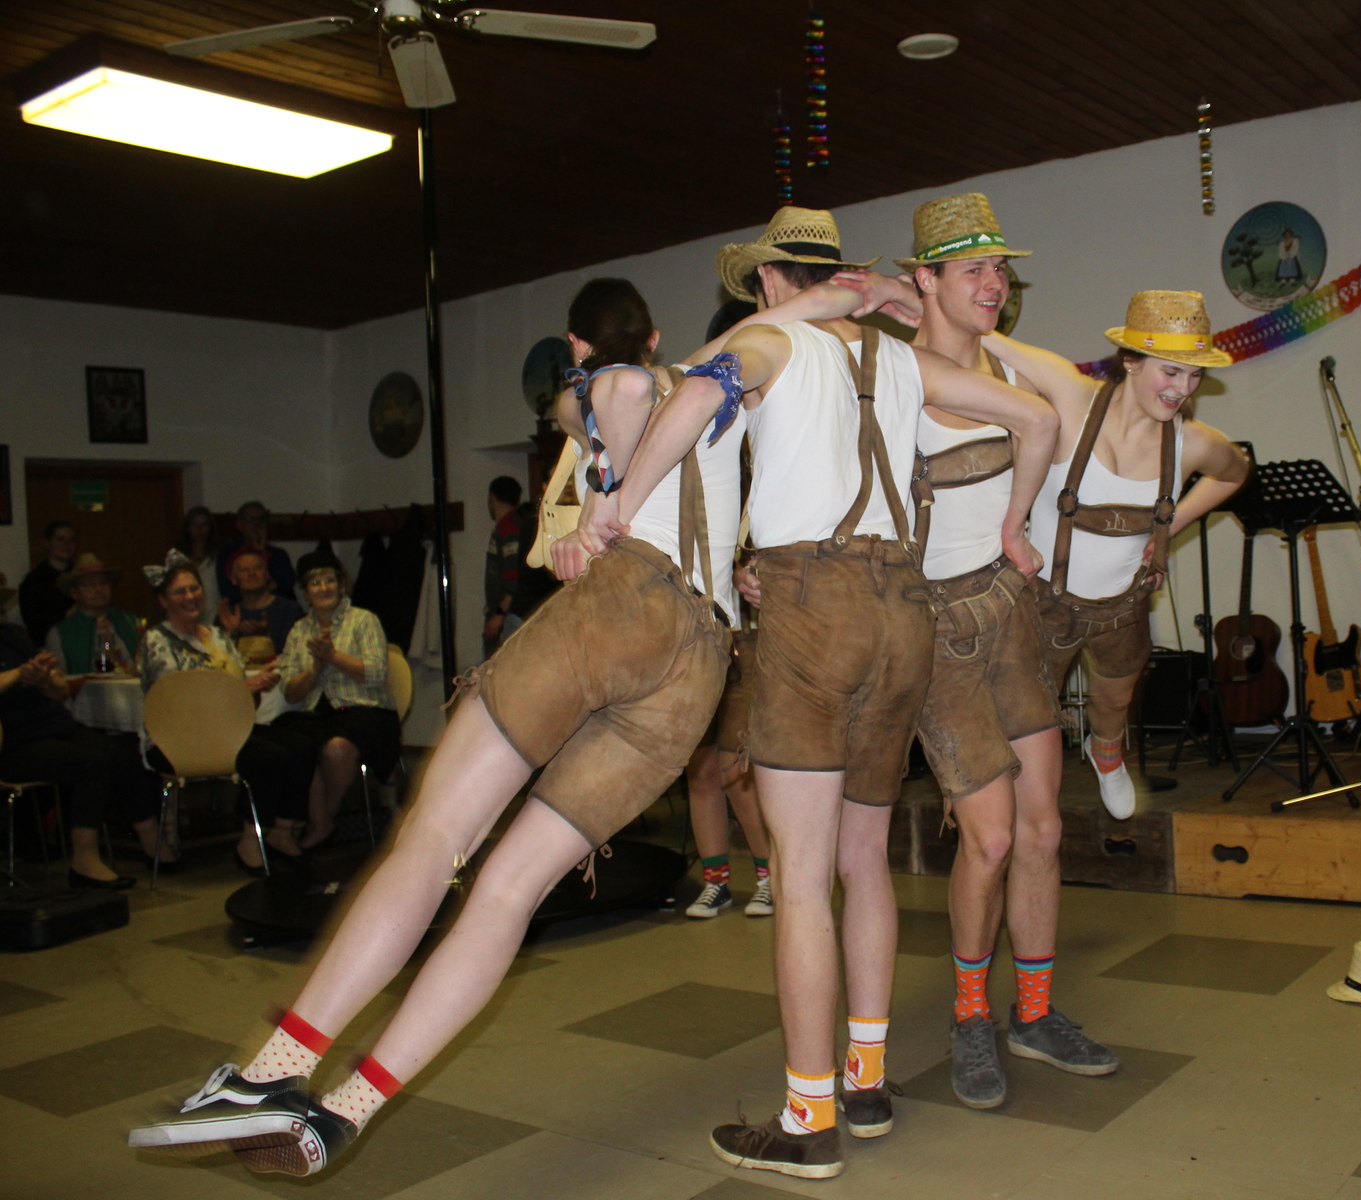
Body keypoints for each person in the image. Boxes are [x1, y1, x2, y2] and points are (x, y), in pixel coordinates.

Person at [126, 271, 887, 1179]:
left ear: (576, 346)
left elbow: (612, 396)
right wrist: (867, 293)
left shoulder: (610, 387)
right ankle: (346, 1112)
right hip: (697, 667)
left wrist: (592, 468)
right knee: (508, 893)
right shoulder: (715, 379)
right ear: (656, 336)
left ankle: (271, 1075)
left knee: (436, 838)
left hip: (626, 603)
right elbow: (781, 322)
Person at [599, 206, 1058, 1179]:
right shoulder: (898, 360)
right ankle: (868, 1079)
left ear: (769, 282)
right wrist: (1017, 524)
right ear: (838, 275)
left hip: (813, 609)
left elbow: (686, 394)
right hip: (903, 611)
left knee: (802, 879)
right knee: (864, 861)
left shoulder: (767, 343)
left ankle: (807, 1119)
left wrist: (617, 507)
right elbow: (1038, 418)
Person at [891, 193, 1120, 1107]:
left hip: (1014, 616)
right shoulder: (896, 377)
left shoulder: (1011, 366)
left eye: (1000, 269)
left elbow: (1086, 404)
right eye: (972, 269)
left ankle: (1033, 1012)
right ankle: (970, 1017)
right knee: (986, 839)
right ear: (926, 278)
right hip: (941, 630)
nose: (993, 283)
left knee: (1044, 829)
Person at [987, 290, 1249, 816]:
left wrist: (1174, 521)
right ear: (1131, 360)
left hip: (1124, 606)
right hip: (1045, 602)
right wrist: (899, 293)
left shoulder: (1192, 443)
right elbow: (980, 334)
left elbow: (1235, 471)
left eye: (1194, 376)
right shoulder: (1072, 396)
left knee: (1114, 702)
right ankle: (1016, 795)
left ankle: (1106, 753)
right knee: (1028, 716)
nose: (1182, 389)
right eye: (1170, 372)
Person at [137, 553, 315, 870]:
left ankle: (281, 831)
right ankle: (250, 841)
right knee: (270, 757)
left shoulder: (218, 636)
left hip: (228, 729)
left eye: (194, 588)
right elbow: (175, 703)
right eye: (179, 592)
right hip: (181, 738)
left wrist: (254, 689)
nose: (190, 596)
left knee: (300, 745)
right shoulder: (157, 641)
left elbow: (244, 703)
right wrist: (242, 688)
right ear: (163, 600)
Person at [0, 587, 162, 887]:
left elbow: (61, 692)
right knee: (92, 763)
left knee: (125, 754)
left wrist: (44, 680)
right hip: (14, 742)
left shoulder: (14, 636)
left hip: (56, 726)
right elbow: (17, 675)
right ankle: (84, 861)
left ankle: (155, 846)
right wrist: (19, 675)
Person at [271, 548, 399, 851]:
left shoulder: (363, 620)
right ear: (305, 592)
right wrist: (315, 668)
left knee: (336, 749)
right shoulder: (299, 630)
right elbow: (290, 691)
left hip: (366, 711)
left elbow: (376, 674)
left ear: (342, 585)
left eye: (330, 580)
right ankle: (313, 823)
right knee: (297, 744)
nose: (323, 588)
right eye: (315, 583)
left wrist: (333, 656)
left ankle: (321, 820)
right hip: (319, 715)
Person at [683, 604, 774, 920]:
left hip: (746, 635)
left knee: (736, 770)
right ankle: (716, 884)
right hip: (692, 639)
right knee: (700, 773)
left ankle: (769, 877)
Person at [46, 554, 140, 677]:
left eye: (103, 583)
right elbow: (58, 680)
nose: (98, 589)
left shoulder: (131, 621)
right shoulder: (60, 634)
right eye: (89, 585)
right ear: (74, 593)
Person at [215, 547, 303, 671]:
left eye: (257, 568)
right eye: (244, 570)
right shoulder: (228, 615)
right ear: (233, 579)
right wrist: (231, 633)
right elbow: (218, 661)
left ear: (267, 575)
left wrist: (265, 636)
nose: (252, 574)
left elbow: (295, 656)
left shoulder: (290, 609)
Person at [217, 502, 296, 605]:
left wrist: (263, 553)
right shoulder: (228, 554)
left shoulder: (279, 554)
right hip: (242, 611)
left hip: (279, 609)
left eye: (262, 519)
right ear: (240, 525)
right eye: (250, 519)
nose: (257, 524)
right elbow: (229, 593)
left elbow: (287, 585)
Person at [482, 476, 524, 656]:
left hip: (509, 618)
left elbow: (513, 579)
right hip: (507, 616)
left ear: (491, 498)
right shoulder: (508, 526)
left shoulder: (508, 528)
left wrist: (498, 615)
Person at [20, 519, 77, 645]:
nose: (67, 544)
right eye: (61, 539)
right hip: (48, 647)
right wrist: (66, 615)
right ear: (47, 543)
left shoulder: (81, 577)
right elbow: (32, 622)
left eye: (71, 539)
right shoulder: (33, 581)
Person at [175, 506, 222, 627]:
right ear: (188, 527)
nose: (199, 529)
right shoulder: (179, 559)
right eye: (195, 524)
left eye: (204, 524)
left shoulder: (220, 557)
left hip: (216, 619)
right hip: (186, 619)